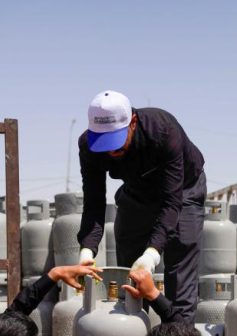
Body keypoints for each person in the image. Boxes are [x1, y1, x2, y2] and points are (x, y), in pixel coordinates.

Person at [76, 90, 207, 322]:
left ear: (133, 122)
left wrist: (152, 254)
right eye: (104, 144)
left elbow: (172, 202)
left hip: (183, 190)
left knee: (179, 270)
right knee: (131, 271)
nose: (111, 151)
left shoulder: (163, 130)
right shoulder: (89, 146)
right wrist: (87, 249)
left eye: (116, 142)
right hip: (137, 190)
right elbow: (94, 202)